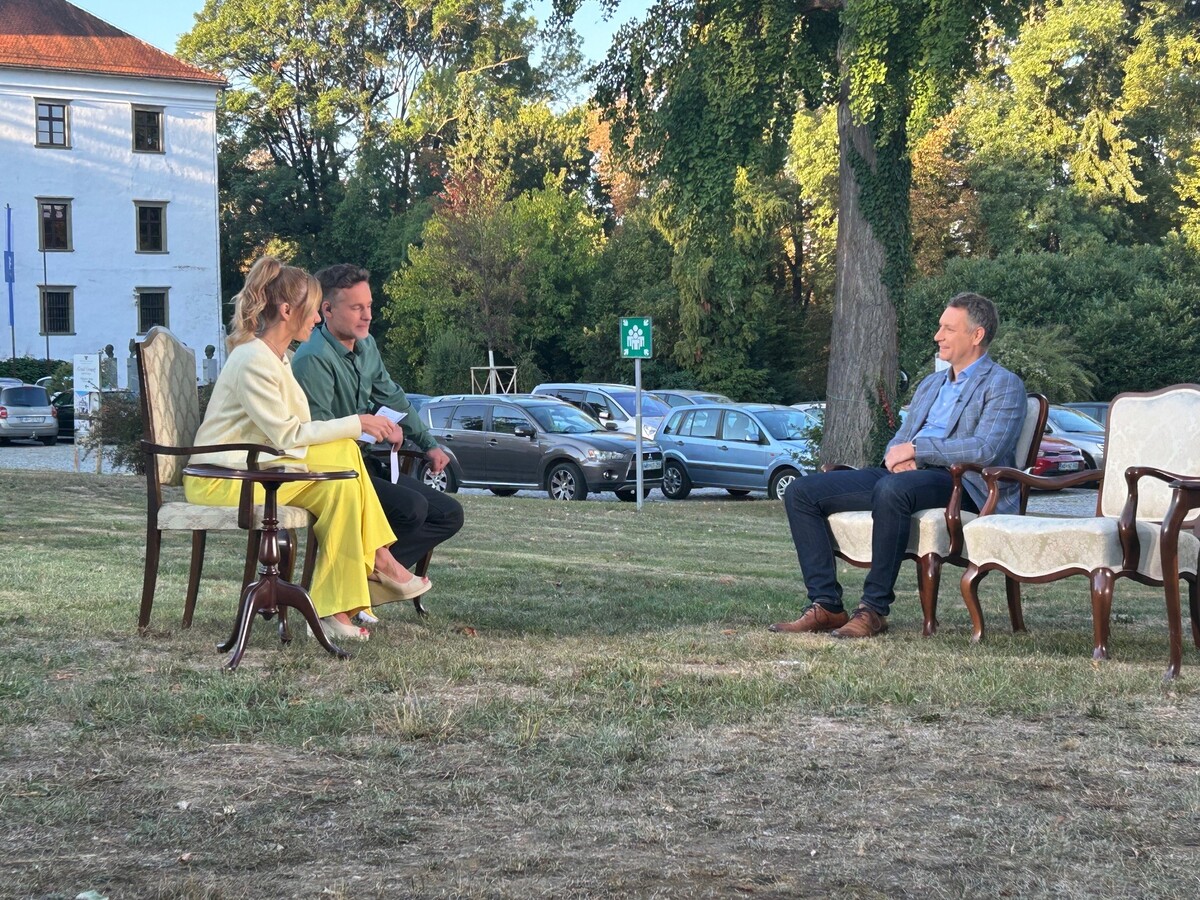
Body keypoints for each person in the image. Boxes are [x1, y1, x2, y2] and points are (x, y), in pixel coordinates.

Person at [183, 256, 431, 642]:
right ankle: (377, 564)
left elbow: (288, 435)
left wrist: (355, 428)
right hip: (222, 479)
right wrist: (358, 423)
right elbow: (287, 435)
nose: (317, 319)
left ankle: (339, 605)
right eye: (313, 310)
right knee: (345, 453)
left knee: (341, 481)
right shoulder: (252, 360)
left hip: (255, 470)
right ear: (287, 311)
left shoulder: (278, 358)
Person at [772, 292, 1026, 639]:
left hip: (963, 484)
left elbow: (986, 448)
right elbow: (901, 438)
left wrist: (919, 452)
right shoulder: (932, 384)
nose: (938, 336)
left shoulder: (1004, 384)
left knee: (893, 489)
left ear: (976, 335)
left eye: (948, 329)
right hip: (907, 477)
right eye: (940, 327)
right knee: (802, 492)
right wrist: (897, 456)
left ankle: (873, 609)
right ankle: (827, 605)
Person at [292, 264, 463, 607]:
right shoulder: (313, 358)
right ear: (327, 309)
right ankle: (363, 581)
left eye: (369, 306)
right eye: (357, 307)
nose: (368, 315)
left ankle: (364, 583)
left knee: (448, 514)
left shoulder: (367, 346)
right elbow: (319, 432)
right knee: (412, 508)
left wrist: (429, 445)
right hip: (337, 472)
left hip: (368, 463)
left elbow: (394, 397)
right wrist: (369, 428)